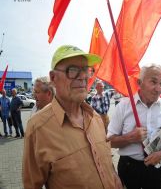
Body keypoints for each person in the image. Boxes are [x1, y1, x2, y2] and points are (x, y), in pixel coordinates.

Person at [23, 45, 122, 189]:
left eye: (86, 70)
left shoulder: (95, 118)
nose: (83, 77)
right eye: (73, 70)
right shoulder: (37, 128)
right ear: (53, 77)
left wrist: (114, 176)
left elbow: (106, 159)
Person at [107, 63, 161, 189]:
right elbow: (108, 142)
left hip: (157, 167)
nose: (158, 89)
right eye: (153, 82)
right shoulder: (124, 106)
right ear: (139, 83)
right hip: (129, 168)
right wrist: (129, 138)